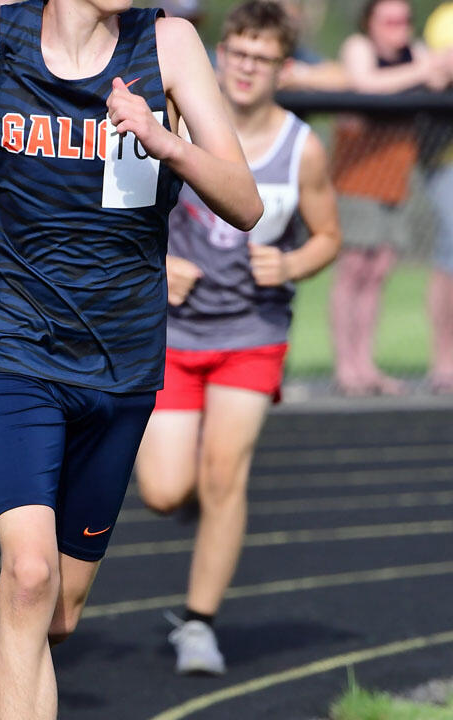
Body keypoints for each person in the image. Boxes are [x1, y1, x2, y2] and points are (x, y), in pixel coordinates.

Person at [0, 0, 264, 720]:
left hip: (122, 361)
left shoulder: (169, 44)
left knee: (57, 616)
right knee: (29, 574)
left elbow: (245, 203)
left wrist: (162, 139)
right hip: (17, 350)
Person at [134, 0, 340, 676]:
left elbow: (328, 237)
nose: (247, 69)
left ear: (283, 66)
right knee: (166, 491)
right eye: (239, 53)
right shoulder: (176, 120)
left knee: (227, 475)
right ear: (221, 54)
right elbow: (128, 215)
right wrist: (158, 263)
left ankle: (198, 624)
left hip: (254, 332)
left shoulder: (300, 147)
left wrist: (292, 262)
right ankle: (195, 501)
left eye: (263, 58)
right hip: (175, 331)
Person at [330, 0, 449, 395]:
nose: (400, 27)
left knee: (379, 269)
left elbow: (438, 78)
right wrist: (422, 69)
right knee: (353, 270)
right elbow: (366, 83)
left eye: (404, 20)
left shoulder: (412, 51)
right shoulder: (359, 47)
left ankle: (366, 364)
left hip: (397, 171)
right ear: (371, 21)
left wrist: (433, 66)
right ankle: (346, 366)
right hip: (358, 170)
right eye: (391, 20)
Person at [423, 3, 453, 393]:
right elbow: (439, 72)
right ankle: (444, 359)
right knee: (449, 257)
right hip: (446, 159)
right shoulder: (445, 19)